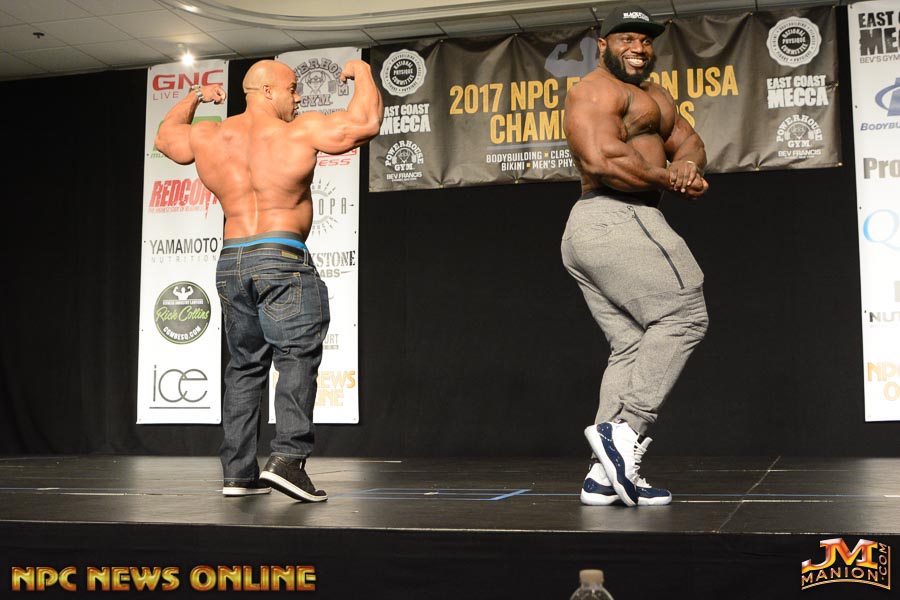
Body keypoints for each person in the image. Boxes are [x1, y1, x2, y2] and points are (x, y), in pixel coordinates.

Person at [155, 59, 383, 502]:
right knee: (296, 356)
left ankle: (238, 474)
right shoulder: (299, 131)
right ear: (266, 91)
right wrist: (362, 71)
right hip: (282, 256)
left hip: (232, 262)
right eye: (292, 88)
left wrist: (195, 97)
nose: (299, 97)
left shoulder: (208, 135)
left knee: (244, 367)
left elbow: (166, 138)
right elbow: (366, 123)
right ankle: (288, 460)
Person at [561, 5, 710, 507]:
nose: (638, 48)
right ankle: (625, 433)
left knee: (630, 343)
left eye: (645, 40)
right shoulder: (594, 90)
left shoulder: (657, 96)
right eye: (626, 38)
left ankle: (603, 475)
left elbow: (689, 141)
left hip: (598, 228)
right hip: (616, 215)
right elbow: (602, 159)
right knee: (684, 316)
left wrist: (687, 167)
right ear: (603, 45)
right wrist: (671, 178)